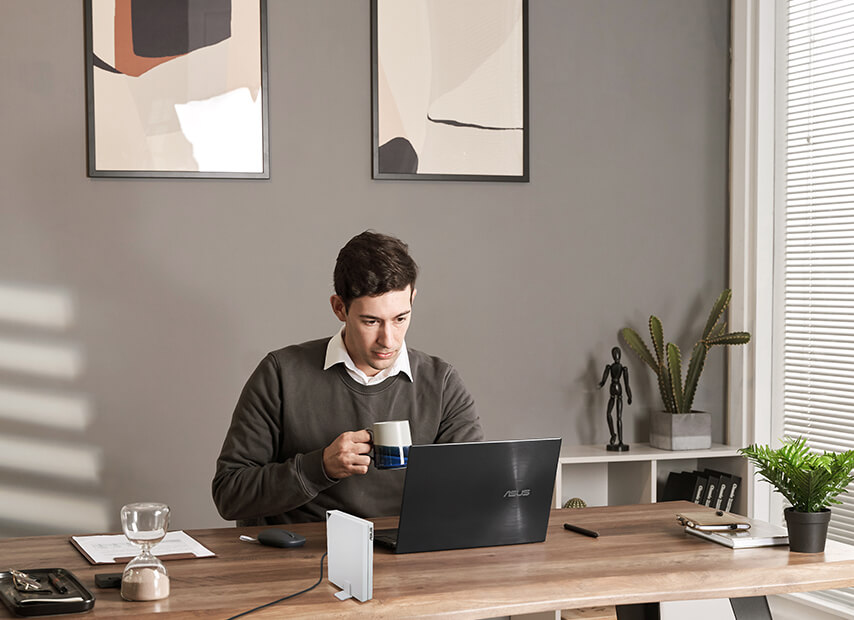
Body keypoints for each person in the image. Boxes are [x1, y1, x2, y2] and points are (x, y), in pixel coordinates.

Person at [212, 231, 483, 525]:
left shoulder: (441, 382)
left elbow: (473, 491)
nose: (388, 340)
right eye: (371, 321)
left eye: (400, 318)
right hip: (303, 558)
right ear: (339, 308)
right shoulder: (281, 373)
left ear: (413, 299)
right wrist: (319, 468)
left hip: (406, 556)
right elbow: (230, 495)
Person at [598, 346, 631, 451]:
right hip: (614, 390)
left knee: (618, 417)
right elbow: (603, 380)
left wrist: (629, 395)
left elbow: (626, 385)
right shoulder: (610, 367)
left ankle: (620, 440)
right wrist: (600, 384)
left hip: (617, 390)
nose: (616, 357)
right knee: (609, 414)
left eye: (617, 355)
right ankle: (613, 434)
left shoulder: (622, 368)